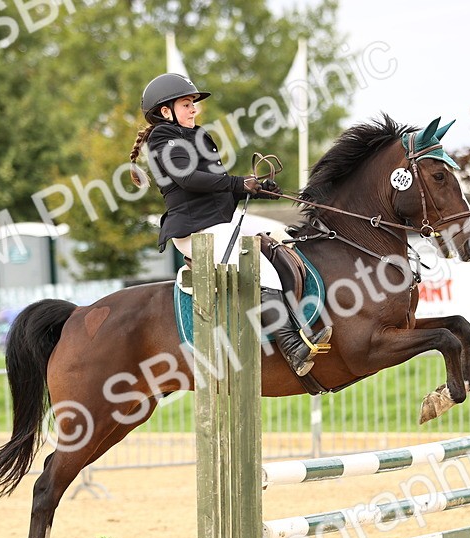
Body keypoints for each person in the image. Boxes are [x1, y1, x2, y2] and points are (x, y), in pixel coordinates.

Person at [128, 72, 330, 377]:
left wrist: (255, 187)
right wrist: (237, 183)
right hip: (194, 230)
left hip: (219, 221)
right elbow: (188, 179)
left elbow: (216, 185)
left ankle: (297, 318)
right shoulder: (161, 139)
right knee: (264, 270)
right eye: (186, 104)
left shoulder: (195, 135)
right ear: (166, 111)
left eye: (193, 104)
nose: (194, 109)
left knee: (281, 236)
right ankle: (293, 348)